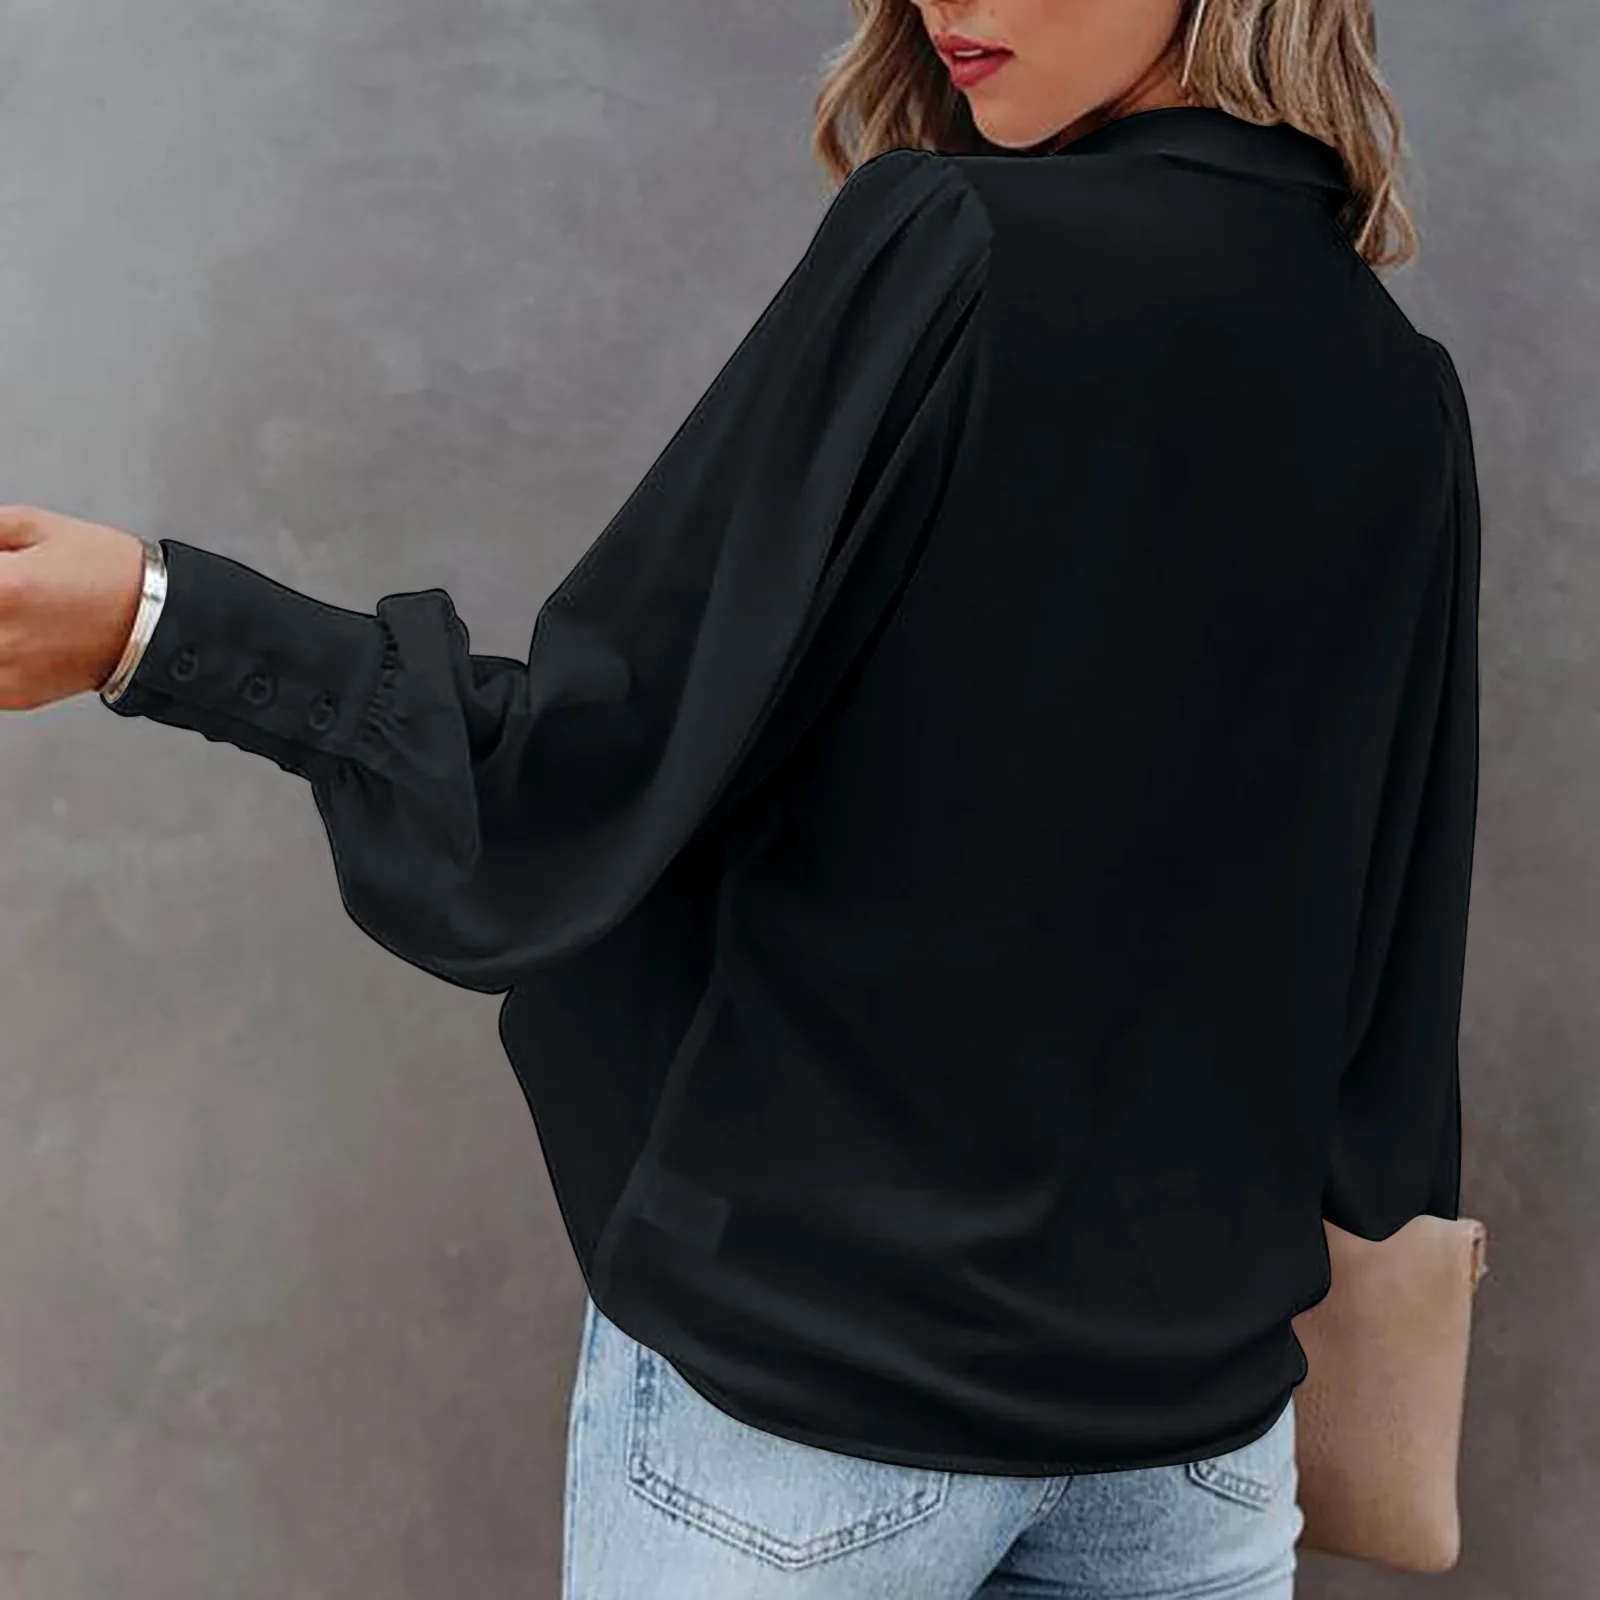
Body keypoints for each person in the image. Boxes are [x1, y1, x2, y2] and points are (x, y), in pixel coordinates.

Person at [0, 0, 1480, 1594]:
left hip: (817, 1425)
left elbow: (582, 772)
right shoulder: (1400, 383)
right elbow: (1387, 988)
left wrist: (158, 622)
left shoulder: (960, 243)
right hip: (1198, 1452)